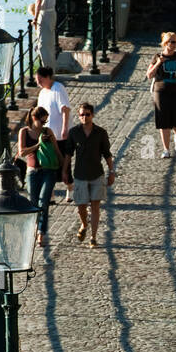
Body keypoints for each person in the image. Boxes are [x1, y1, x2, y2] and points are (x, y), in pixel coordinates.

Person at [64, 103, 115, 248]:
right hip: (80, 175)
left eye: (87, 114)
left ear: (92, 115)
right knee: (81, 206)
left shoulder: (100, 132)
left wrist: (111, 172)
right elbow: (68, 153)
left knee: (95, 207)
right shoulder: (74, 133)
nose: (84, 117)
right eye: (81, 115)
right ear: (78, 116)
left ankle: (93, 237)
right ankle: (84, 224)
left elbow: (107, 154)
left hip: (97, 175)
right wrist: (64, 171)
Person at [17, 106, 65, 248]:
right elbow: (22, 152)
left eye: (46, 121)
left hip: (48, 171)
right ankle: (33, 229)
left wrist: (64, 167)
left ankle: (40, 233)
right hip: (32, 172)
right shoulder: (24, 132)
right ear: (34, 119)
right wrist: (39, 144)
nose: (44, 124)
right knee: (32, 203)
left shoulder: (47, 132)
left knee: (44, 201)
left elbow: (56, 150)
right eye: (42, 122)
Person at [146, 32, 176, 158]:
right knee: (163, 121)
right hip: (160, 92)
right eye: (173, 42)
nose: (175, 44)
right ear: (166, 43)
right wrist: (159, 63)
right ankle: (166, 149)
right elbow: (149, 75)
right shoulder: (157, 56)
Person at [35, 65, 72, 202]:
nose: (38, 82)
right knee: (47, 165)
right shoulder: (42, 93)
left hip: (60, 135)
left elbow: (65, 109)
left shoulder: (58, 88)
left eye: (40, 79)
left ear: (48, 77)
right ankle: (50, 194)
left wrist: (65, 128)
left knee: (63, 163)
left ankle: (70, 189)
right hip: (47, 136)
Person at [31, 0, 56, 68]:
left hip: (45, 14)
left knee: (42, 45)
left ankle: (47, 71)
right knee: (49, 43)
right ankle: (52, 68)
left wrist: (35, 18)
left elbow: (38, 1)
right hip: (52, 13)